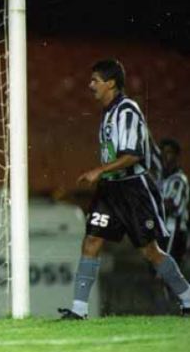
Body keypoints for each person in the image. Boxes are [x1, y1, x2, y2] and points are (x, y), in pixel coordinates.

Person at [58, 59, 190, 319]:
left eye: (95, 80)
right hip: (111, 189)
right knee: (92, 241)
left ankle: (187, 297)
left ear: (110, 83)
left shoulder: (127, 110)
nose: (90, 85)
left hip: (133, 188)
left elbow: (132, 155)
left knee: (149, 251)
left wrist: (99, 170)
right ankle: (79, 309)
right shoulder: (108, 112)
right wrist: (105, 174)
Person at [159, 138, 189, 267]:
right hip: (162, 231)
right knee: (158, 271)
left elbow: (170, 206)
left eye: (169, 153)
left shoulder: (179, 180)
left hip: (174, 232)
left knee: (167, 273)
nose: (165, 156)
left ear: (176, 156)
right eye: (163, 153)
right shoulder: (161, 179)